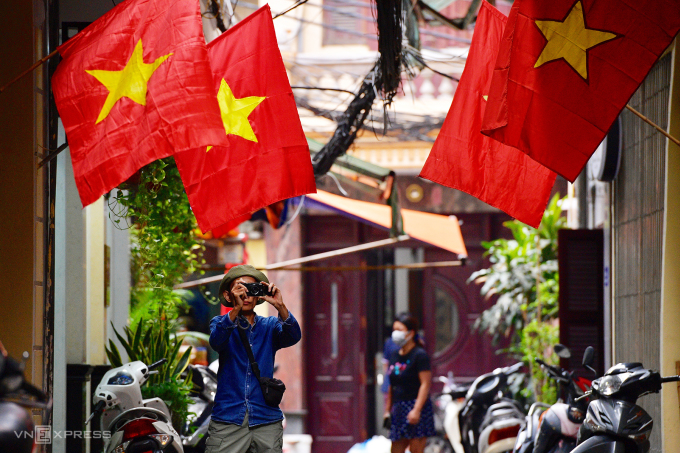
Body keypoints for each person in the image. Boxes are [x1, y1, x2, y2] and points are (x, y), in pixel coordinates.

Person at [206, 265, 301, 453]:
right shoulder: (220, 323)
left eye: (251, 289)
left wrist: (279, 305)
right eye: (240, 289)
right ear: (228, 295)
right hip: (229, 419)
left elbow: (293, 336)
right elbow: (217, 341)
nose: (246, 295)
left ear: (258, 294)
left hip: (266, 419)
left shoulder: (270, 326)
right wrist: (235, 309)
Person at [383, 313, 435, 453]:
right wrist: (388, 410)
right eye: (394, 330)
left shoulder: (419, 355)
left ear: (410, 333)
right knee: (396, 448)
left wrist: (416, 410)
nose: (395, 334)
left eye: (399, 330)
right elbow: (392, 385)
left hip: (415, 407)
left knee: (416, 449)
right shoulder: (394, 355)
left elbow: (425, 384)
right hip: (399, 408)